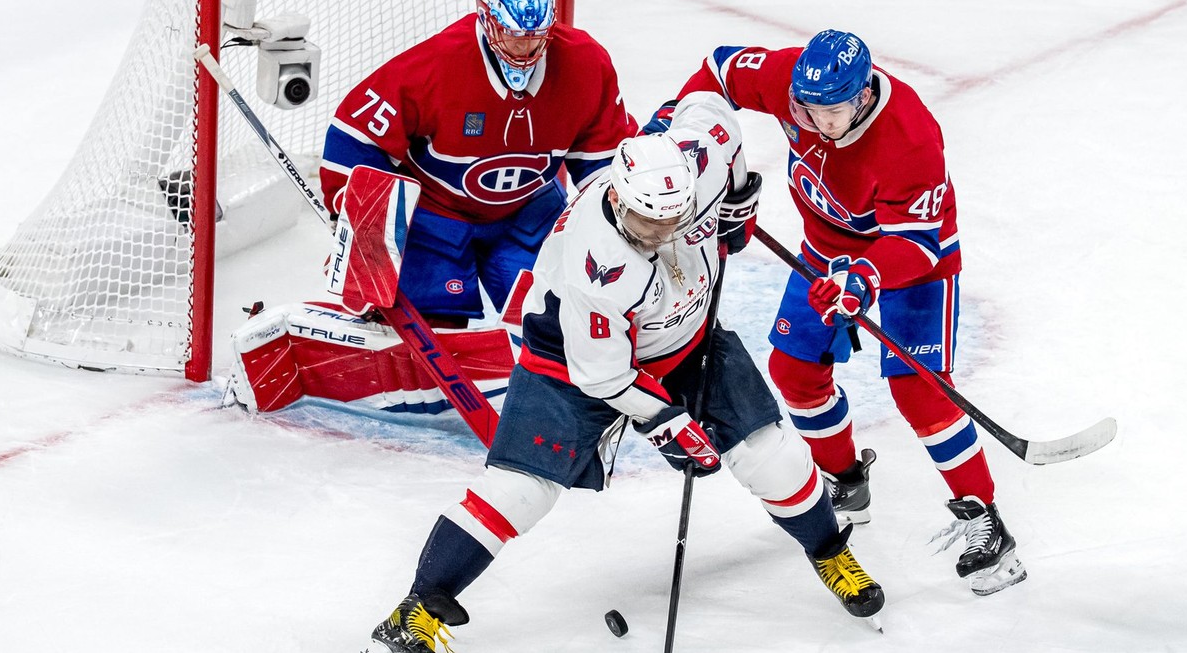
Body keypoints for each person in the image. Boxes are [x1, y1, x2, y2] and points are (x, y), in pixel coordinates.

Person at [363, 93, 884, 653]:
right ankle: (416, 610)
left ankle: (831, 552)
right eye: (645, 222)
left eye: (672, 221)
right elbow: (604, 377)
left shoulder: (697, 162)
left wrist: (736, 201)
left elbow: (709, 104)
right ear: (617, 194)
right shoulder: (600, 266)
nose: (659, 234)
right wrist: (669, 422)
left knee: (770, 452)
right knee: (520, 490)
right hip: (571, 363)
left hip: (684, 339)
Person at [648, 30, 1026, 597]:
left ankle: (984, 520)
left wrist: (865, 277)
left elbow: (918, 241)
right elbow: (720, 70)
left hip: (910, 264)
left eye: (829, 112)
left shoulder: (910, 137)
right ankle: (847, 480)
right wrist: (678, 132)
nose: (812, 120)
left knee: (918, 391)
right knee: (794, 373)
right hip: (825, 252)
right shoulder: (793, 82)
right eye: (804, 108)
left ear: (863, 96)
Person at [223, 0, 637, 417]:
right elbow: (354, 137)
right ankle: (315, 336)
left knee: (557, 318)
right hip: (438, 217)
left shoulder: (585, 63)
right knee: (424, 333)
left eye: (534, 36)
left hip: (528, 211)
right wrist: (361, 223)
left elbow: (604, 158)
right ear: (486, 17)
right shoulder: (436, 64)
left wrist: (613, 224)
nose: (523, 48)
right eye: (512, 33)